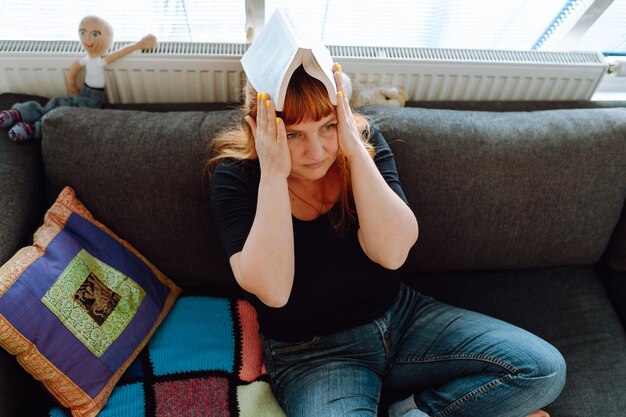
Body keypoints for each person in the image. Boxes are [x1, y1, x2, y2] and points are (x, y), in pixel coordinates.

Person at [207, 63, 566, 417]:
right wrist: (273, 173)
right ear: (260, 130)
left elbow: (392, 254)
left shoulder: (362, 144)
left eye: (328, 126)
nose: (316, 152)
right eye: (293, 134)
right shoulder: (236, 176)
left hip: (402, 318)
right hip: (313, 353)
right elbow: (273, 290)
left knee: (543, 369)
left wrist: (354, 150)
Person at [0, 16, 156, 142]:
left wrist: (139, 45)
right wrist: (72, 84)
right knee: (55, 103)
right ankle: (17, 113)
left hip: (92, 103)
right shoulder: (86, 60)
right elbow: (74, 69)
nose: (88, 38)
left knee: (64, 120)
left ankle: (33, 129)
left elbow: (119, 53)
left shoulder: (101, 61)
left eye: (95, 34)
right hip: (82, 93)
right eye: (83, 32)